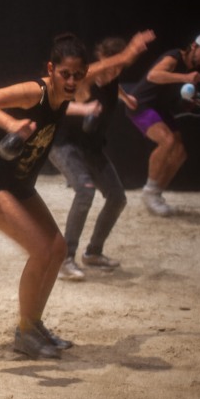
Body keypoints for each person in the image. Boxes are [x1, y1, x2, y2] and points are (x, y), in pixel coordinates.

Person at [0, 31, 153, 359]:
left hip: (18, 182)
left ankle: (34, 325)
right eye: (65, 74)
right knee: (40, 250)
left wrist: (127, 57)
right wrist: (10, 124)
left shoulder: (70, 87)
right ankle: (24, 332)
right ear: (51, 69)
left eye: (78, 75)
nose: (72, 81)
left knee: (58, 248)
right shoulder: (34, 92)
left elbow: (99, 69)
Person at [49, 36, 143, 280]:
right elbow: (59, 105)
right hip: (64, 145)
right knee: (85, 191)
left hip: (91, 147)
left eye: (119, 68)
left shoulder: (112, 80)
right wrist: (84, 108)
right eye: (110, 65)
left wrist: (125, 97)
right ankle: (65, 259)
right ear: (101, 60)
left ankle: (93, 253)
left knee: (117, 198)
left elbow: (113, 83)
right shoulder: (82, 81)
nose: (113, 72)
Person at [125, 33, 200, 216]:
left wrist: (189, 103)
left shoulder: (192, 71)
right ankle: (148, 191)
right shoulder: (174, 57)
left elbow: (173, 96)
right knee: (167, 142)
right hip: (140, 104)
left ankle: (155, 195)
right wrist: (185, 78)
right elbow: (153, 75)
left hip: (159, 108)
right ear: (193, 46)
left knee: (180, 153)